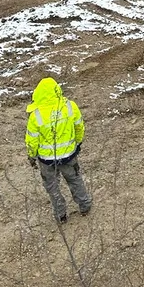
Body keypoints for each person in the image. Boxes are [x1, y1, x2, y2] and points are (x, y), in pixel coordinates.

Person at [25, 77, 92, 223]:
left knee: (52, 187)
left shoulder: (35, 115)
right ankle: (85, 206)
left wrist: (31, 156)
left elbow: (32, 140)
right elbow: (79, 126)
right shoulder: (69, 106)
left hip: (46, 160)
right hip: (69, 156)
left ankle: (60, 215)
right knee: (75, 180)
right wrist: (78, 143)